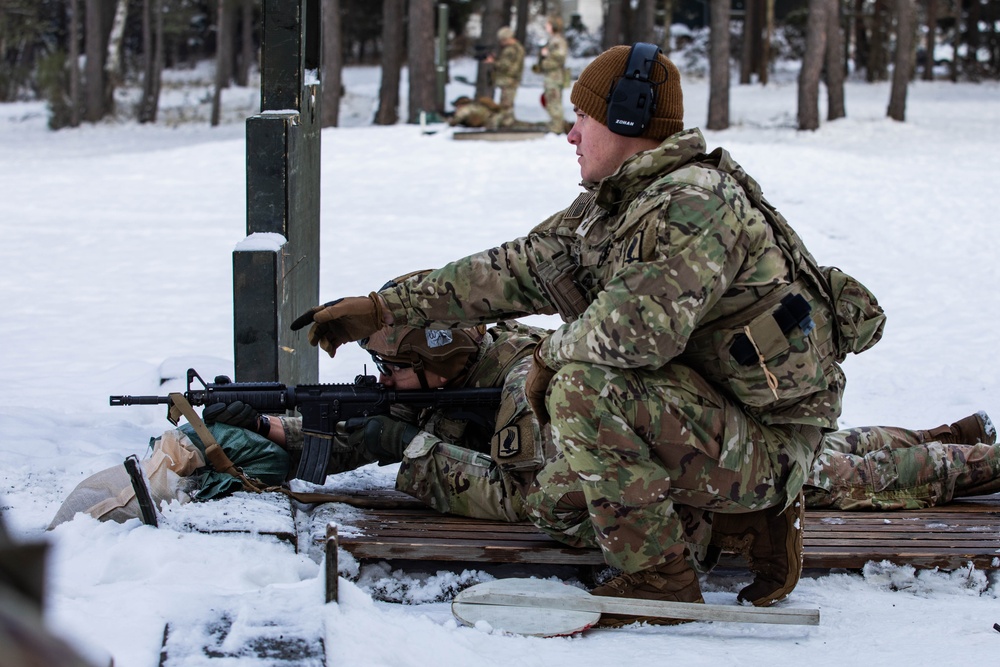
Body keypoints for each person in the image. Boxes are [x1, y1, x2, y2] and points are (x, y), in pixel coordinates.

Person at [289, 42, 890, 625]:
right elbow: (511, 269)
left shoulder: (695, 204)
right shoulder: (616, 204)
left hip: (769, 446)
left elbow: (633, 335)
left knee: (581, 386)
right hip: (715, 419)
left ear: (627, 119)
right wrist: (384, 308)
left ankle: (664, 580)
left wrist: (547, 359)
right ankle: (737, 524)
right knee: (554, 497)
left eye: (582, 117)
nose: (570, 134)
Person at [533, 15, 569, 133]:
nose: (546, 27)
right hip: (551, 77)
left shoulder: (557, 41)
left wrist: (546, 57)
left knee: (554, 102)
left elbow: (560, 58)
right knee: (551, 102)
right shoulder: (553, 40)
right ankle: (555, 125)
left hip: (555, 77)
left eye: (548, 24)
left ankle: (557, 128)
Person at [486, 26, 525, 128]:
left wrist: (493, 62)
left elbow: (504, 65)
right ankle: (508, 122)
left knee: (506, 104)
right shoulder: (518, 47)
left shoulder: (510, 50)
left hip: (508, 79)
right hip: (513, 79)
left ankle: (506, 124)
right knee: (508, 103)